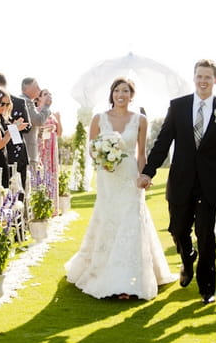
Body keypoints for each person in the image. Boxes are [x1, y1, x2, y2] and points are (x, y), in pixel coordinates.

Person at [139, 59, 216, 304]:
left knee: (206, 235)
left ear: (215, 80)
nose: (203, 81)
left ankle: (207, 289)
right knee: (177, 229)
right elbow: (163, 142)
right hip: (180, 180)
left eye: (208, 77)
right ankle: (187, 258)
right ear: (194, 77)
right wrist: (148, 172)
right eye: (199, 76)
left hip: (209, 183)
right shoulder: (178, 106)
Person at [65, 77, 177, 300]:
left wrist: (144, 176)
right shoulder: (99, 118)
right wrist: (103, 159)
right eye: (117, 90)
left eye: (125, 91)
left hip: (129, 176)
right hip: (107, 178)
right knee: (109, 221)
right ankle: (103, 273)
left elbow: (142, 153)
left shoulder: (140, 120)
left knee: (131, 222)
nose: (121, 94)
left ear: (131, 95)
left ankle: (127, 281)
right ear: (112, 93)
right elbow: (91, 149)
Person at [0, 72, 31, 188]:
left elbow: (28, 126)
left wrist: (16, 127)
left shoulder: (19, 102)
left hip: (17, 150)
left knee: (20, 189)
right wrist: (13, 128)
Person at [37, 89, 63, 215]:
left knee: (52, 174)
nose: (49, 96)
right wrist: (45, 128)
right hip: (42, 149)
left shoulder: (53, 114)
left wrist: (59, 119)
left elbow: (59, 133)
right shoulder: (37, 112)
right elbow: (36, 132)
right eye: (46, 94)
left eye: (51, 94)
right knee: (43, 174)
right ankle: (42, 206)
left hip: (52, 148)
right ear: (39, 98)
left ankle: (53, 207)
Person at [20, 78, 51, 167]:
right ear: (27, 87)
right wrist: (46, 106)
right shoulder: (26, 101)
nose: (39, 88)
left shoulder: (23, 100)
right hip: (28, 150)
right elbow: (38, 121)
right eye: (36, 86)